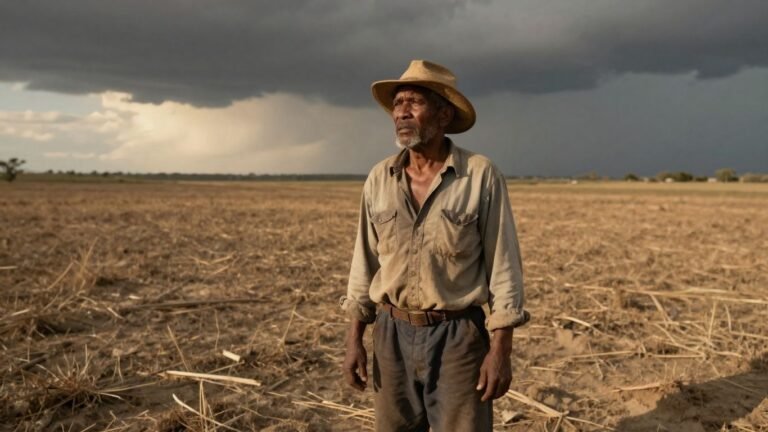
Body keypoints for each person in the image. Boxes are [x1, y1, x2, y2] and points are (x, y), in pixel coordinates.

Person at [340, 59, 529, 432]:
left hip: (458, 338)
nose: (402, 112)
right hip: (391, 335)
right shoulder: (380, 178)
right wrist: (354, 341)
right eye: (397, 104)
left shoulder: (480, 175)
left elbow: (504, 268)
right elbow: (363, 264)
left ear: (443, 115)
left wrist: (501, 350)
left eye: (414, 102)